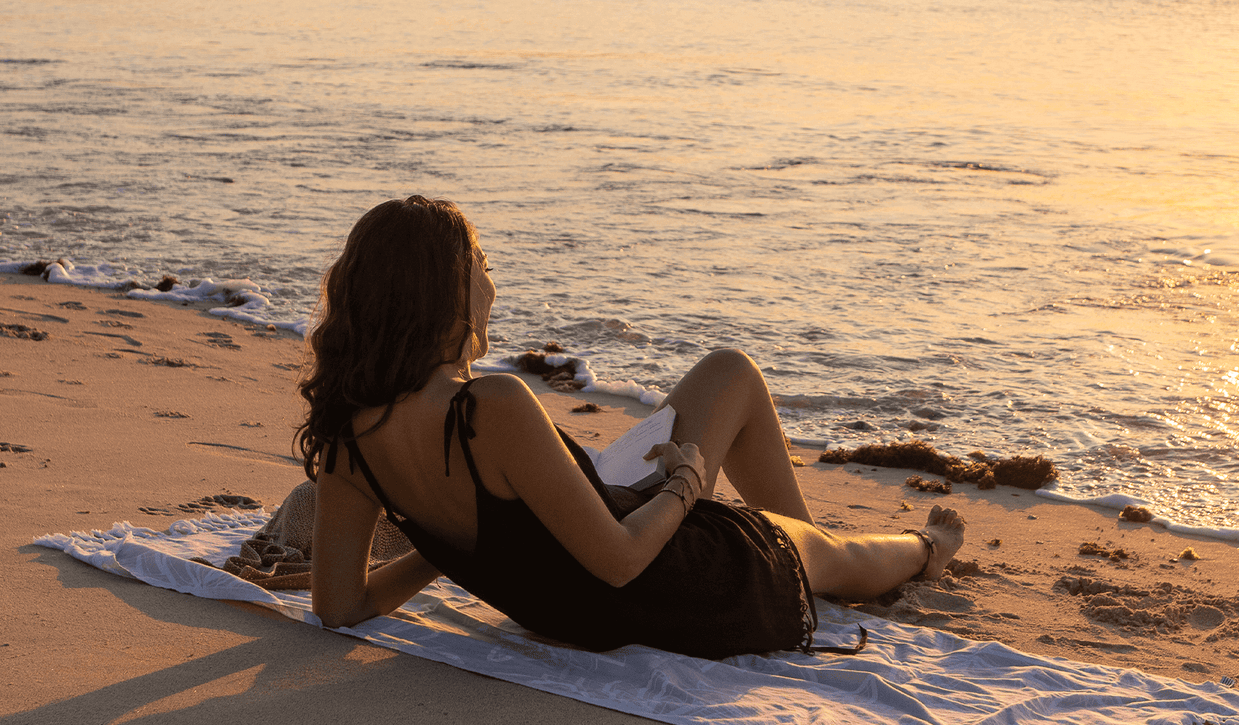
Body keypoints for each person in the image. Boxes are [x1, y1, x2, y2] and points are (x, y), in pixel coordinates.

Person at [301, 196, 967, 660]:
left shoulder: (348, 442)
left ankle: (809, 559)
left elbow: (339, 607)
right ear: (444, 289)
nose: (492, 285)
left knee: (729, 370)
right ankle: (924, 546)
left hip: (573, 596)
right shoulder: (488, 404)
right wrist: (685, 484)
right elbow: (618, 561)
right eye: (483, 264)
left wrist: (452, 547)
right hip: (676, 589)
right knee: (834, 556)